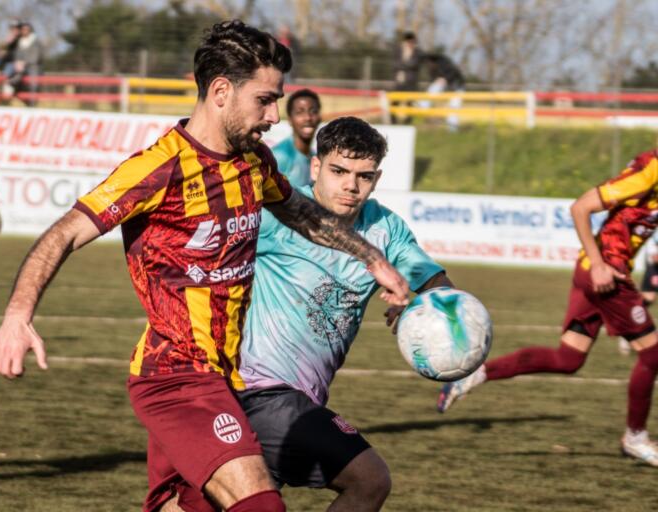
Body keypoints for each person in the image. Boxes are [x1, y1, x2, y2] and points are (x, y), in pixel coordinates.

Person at [0, 20, 409, 512]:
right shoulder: (159, 168)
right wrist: (17, 317)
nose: (274, 115)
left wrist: (373, 259)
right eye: (265, 100)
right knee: (261, 506)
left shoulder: (253, 161)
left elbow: (300, 211)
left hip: (226, 380)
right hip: (176, 376)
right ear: (221, 92)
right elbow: (62, 234)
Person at [238, 116, 452, 511]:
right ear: (316, 167)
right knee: (369, 480)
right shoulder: (279, 215)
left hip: (302, 400)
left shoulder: (386, 229)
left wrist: (421, 310)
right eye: (339, 171)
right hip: (259, 389)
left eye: (364, 176)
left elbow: (436, 283)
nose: (351, 186)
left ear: (376, 178)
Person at [437, 149, 658, 467]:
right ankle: (635, 438)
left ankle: (472, 376)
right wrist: (598, 264)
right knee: (652, 354)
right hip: (605, 275)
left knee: (568, 359)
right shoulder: (649, 172)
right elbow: (580, 207)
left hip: (593, 273)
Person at [271, 89, 321, 187]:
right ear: (290, 119)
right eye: (299, 112)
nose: (308, 118)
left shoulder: (316, 157)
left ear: (319, 117)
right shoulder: (279, 156)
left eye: (313, 111)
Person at [421, 53, 465, 131]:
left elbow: (454, 73)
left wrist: (445, 79)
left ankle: (452, 129)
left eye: (429, 63)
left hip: (457, 87)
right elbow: (435, 82)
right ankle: (424, 105)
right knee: (435, 86)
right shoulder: (434, 69)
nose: (428, 65)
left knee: (454, 106)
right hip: (448, 88)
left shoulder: (444, 64)